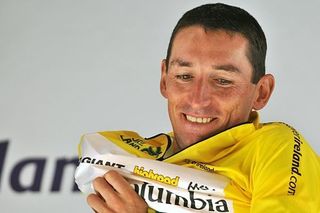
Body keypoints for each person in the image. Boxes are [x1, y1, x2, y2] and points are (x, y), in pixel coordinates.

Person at [85, 3, 320, 213]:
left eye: (223, 81)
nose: (198, 100)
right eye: (185, 76)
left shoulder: (274, 146)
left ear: (262, 92)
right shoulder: (126, 158)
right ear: (164, 80)